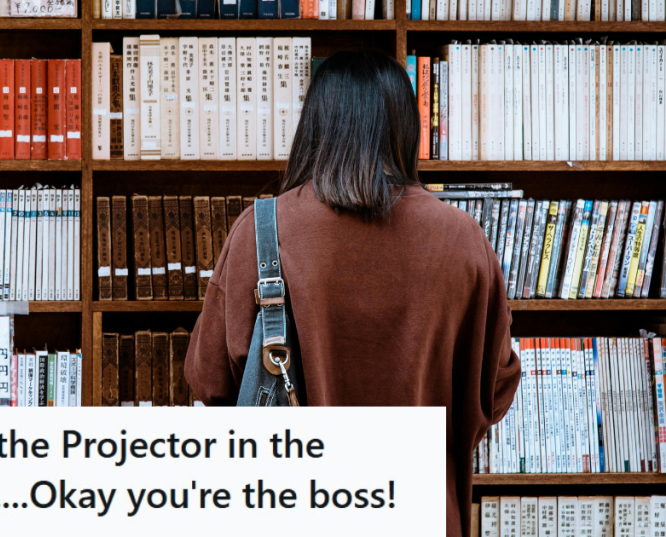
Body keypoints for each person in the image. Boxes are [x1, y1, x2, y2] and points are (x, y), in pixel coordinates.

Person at [183, 50, 521, 537]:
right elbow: (496, 387)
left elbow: (210, 380)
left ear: (315, 127)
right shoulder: (463, 238)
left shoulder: (262, 231)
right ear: (407, 128)